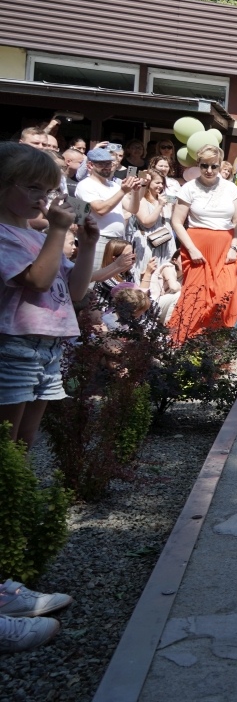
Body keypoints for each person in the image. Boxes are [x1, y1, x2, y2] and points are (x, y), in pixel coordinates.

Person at [0, 143, 97, 653]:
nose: (42, 198)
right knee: (4, 453)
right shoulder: (5, 235)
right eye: (31, 188)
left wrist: (88, 244)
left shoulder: (33, 233)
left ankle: (4, 581)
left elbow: (72, 292)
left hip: (45, 348)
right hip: (13, 347)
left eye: (47, 189)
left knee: (20, 450)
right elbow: (37, 283)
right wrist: (57, 230)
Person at [169, 144, 237, 342]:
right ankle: (183, 344)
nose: (209, 171)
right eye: (204, 166)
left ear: (220, 165)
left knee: (227, 293)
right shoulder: (189, 188)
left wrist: (234, 247)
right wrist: (191, 249)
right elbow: (176, 222)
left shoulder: (231, 188)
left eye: (214, 166)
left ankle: (216, 343)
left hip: (225, 247)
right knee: (196, 297)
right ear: (198, 165)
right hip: (197, 247)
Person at [74, 146, 140, 271]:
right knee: (93, 281)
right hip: (98, 239)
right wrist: (123, 191)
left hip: (118, 240)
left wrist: (135, 192)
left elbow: (133, 209)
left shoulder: (114, 185)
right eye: (102, 164)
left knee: (113, 282)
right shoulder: (85, 185)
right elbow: (100, 210)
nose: (107, 166)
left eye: (109, 163)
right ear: (90, 166)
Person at [123, 167, 175, 279]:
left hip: (166, 244)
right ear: (149, 183)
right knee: (146, 276)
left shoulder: (166, 199)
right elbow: (146, 222)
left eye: (162, 183)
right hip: (148, 245)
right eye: (157, 183)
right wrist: (160, 206)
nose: (160, 186)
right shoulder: (141, 200)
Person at [148, 249, 183, 325]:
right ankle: (168, 327)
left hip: (163, 306)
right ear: (175, 260)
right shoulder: (168, 267)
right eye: (183, 259)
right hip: (152, 303)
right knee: (179, 295)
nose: (185, 262)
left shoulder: (184, 276)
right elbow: (173, 287)